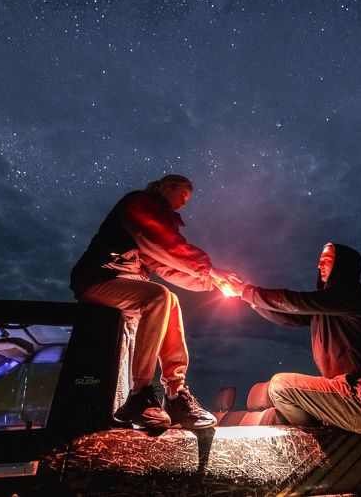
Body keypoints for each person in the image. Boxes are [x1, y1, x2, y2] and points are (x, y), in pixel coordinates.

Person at [70, 174, 238, 430]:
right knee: (158, 296)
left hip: (124, 285)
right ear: (167, 186)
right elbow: (163, 242)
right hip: (97, 281)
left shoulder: (159, 219)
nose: (184, 203)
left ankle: (175, 393)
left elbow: (164, 266)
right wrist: (209, 269)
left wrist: (211, 282)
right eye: (182, 196)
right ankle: (140, 394)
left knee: (171, 300)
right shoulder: (138, 204)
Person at [222, 243, 361, 434]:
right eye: (320, 261)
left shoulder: (352, 295)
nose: (319, 265)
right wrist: (249, 299)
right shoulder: (328, 309)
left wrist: (248, 292)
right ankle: (318, 439)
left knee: (280, 385)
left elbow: (297, 302)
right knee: (281, 393)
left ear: (342, 265)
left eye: (327, 260)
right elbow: (287, 315)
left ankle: (316, 440)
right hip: (349, 396)